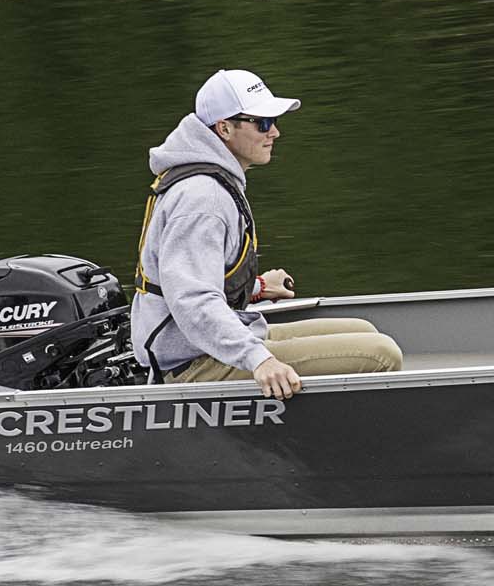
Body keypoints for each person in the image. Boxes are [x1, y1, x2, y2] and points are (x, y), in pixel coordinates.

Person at [132, 68, 401, 396]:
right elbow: (193, 299)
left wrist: (257, 287)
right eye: (262, 123)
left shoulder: (213, 182)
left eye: (273, 121)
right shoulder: (203, 199)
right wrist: (259, 359)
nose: (274, 132)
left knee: (365, 330)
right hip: (194, 363)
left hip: (210, 345)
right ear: (225, 128)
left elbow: (195, 276)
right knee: (381, 355)